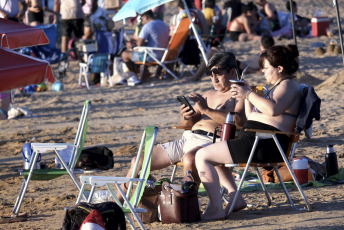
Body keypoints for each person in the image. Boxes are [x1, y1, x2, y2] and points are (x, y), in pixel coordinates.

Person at [117, 52, 246, 202]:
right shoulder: (209, 93)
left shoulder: (239, 93)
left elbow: (239, 122)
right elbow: (187, 126)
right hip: (187, 139)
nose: (214, 78)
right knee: (138, 161)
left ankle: (188, 205)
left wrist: (206, 110)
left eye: (218, 73)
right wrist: (186, 116)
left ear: (232, 72)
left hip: (209, 142)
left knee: (189, 158)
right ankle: (116, 203)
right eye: (210, 74)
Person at [195, 45, 300, 221]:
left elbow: (273, 110)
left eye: (266, 68)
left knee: (202, 155)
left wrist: (249, 93)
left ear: (279, 69)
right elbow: (251, 115)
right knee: (213, 153)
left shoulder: (288, 85)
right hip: (258, 139)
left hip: (266, 144)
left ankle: (216, 209)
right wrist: (245, 94)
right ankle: (234, 199)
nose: (263, 72)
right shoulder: (278, 87)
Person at [121, 10, 169, 83]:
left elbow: (139, 44)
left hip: (152, 56)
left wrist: (132, 45)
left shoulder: (147, 26)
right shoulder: (163, 23)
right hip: (165, 54)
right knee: (143, 51)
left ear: (145, 17)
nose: (142, 21)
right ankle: (145, 73)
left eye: (141, 19)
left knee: (125, 54)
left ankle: (135, 77)